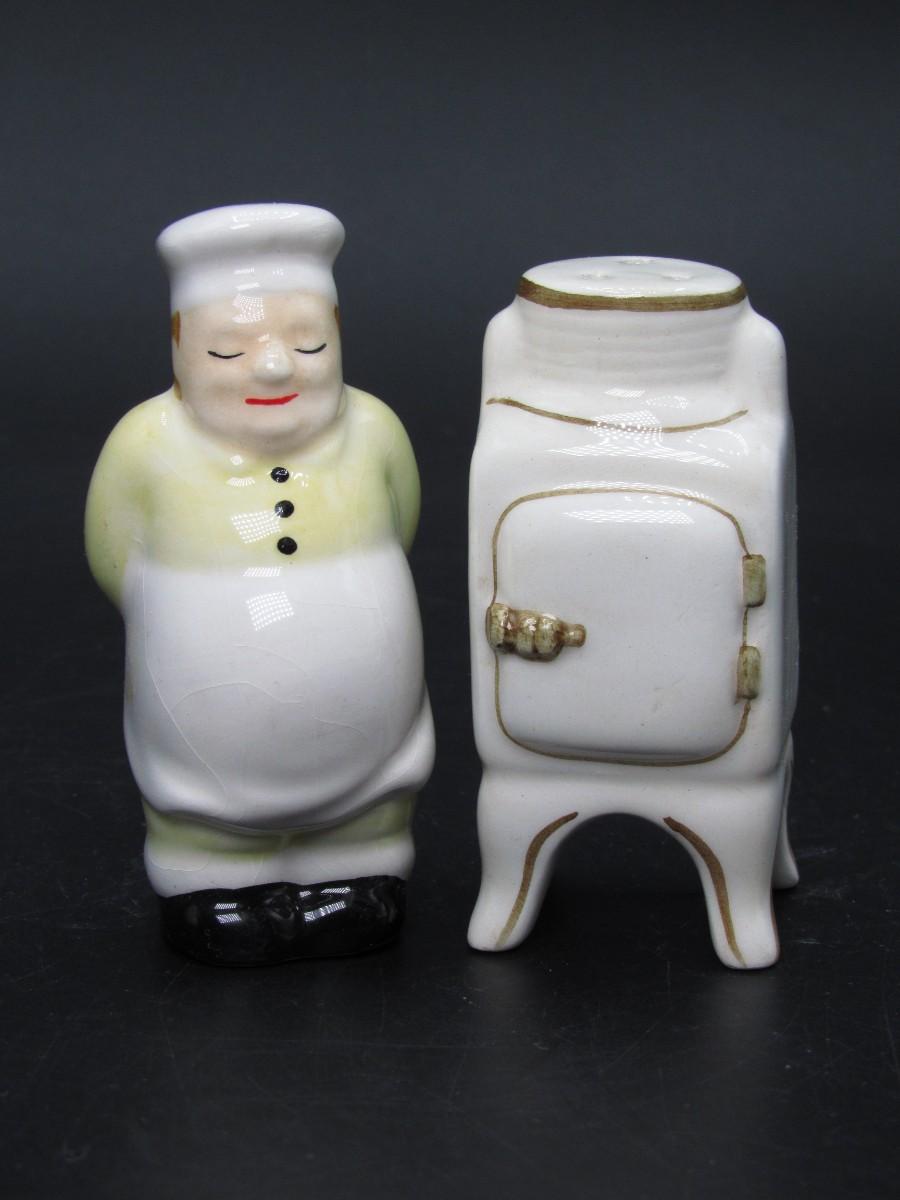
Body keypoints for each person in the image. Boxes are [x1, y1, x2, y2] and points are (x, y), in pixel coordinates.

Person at [85, 204, 434, 964]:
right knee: (204, 822)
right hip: (201, 754)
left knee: (368, 815)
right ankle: (212, 881)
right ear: (179, 344)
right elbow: (113, 559)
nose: (276, 367)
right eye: (227, 349)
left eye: (309, 343)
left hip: (372, 746)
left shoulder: (374, 430)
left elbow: (402, 521)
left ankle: (357, 868)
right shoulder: (145, 444)